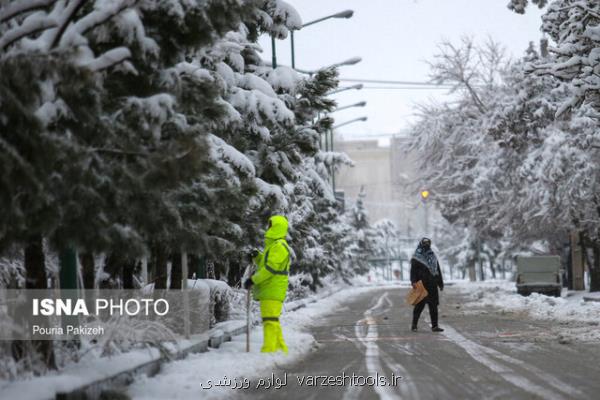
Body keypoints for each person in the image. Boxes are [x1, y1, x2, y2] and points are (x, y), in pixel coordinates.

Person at [244, 215, 291, 353]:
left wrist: (253, 280)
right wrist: (257, 256)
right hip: (270, 289)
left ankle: (269, 350)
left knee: (270, 321)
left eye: (270, 225)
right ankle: (280, 349)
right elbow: (265, 264)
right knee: (272, 320)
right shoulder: (273, 246)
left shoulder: (279, 246)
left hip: (273, 288)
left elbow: (270, 269)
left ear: (276, 227)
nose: (268, 228)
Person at [410, 237, 444, 332]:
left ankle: (435, 326)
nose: (426, 245)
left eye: (428, 243)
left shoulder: (432, 256)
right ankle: (414, 325)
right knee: (419, 306)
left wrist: (440, 283)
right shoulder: (416, 257)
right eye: (424, 243)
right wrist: (413, 282)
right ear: (421, 244)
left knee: (433, 306)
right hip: (421, 285)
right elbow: (413, 271)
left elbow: (437, 270)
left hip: (432, 285)